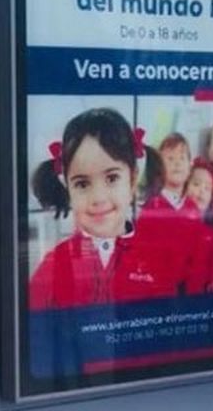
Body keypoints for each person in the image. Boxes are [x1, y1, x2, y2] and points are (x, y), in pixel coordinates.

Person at [27, 109, 184, 308]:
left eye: (111, 178)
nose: (98, 198)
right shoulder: (53, 267)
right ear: (67, 188)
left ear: (133, 179)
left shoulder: (158, 261)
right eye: (82, 184)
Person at [183, 164, 213, 294]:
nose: (202, 190)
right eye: (196, 184)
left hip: (202, 297)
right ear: (184, 189)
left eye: (207, 188)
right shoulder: (177, 225)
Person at [140, 132, 199, 221]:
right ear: (160, 166)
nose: (177, 163)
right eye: (170, 158)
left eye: (182, 158)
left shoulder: (193, 208)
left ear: (190, 167)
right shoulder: (151, 206)